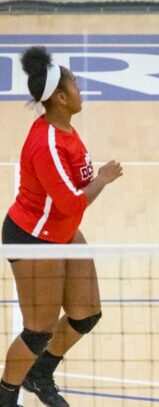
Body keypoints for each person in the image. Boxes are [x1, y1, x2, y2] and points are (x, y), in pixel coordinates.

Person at [0, 47, 123, 407]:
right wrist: (102, 179)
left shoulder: (65, 128)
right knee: (38, 330)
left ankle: (39, 374)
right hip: (34, 237)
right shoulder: (46, 143)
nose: (81, 90)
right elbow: (70, 201)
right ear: (59, 97)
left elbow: (69, 199)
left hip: (62, 231)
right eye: (75, 85)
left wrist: (94, 181)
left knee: (86, 314)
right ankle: (5, 395)